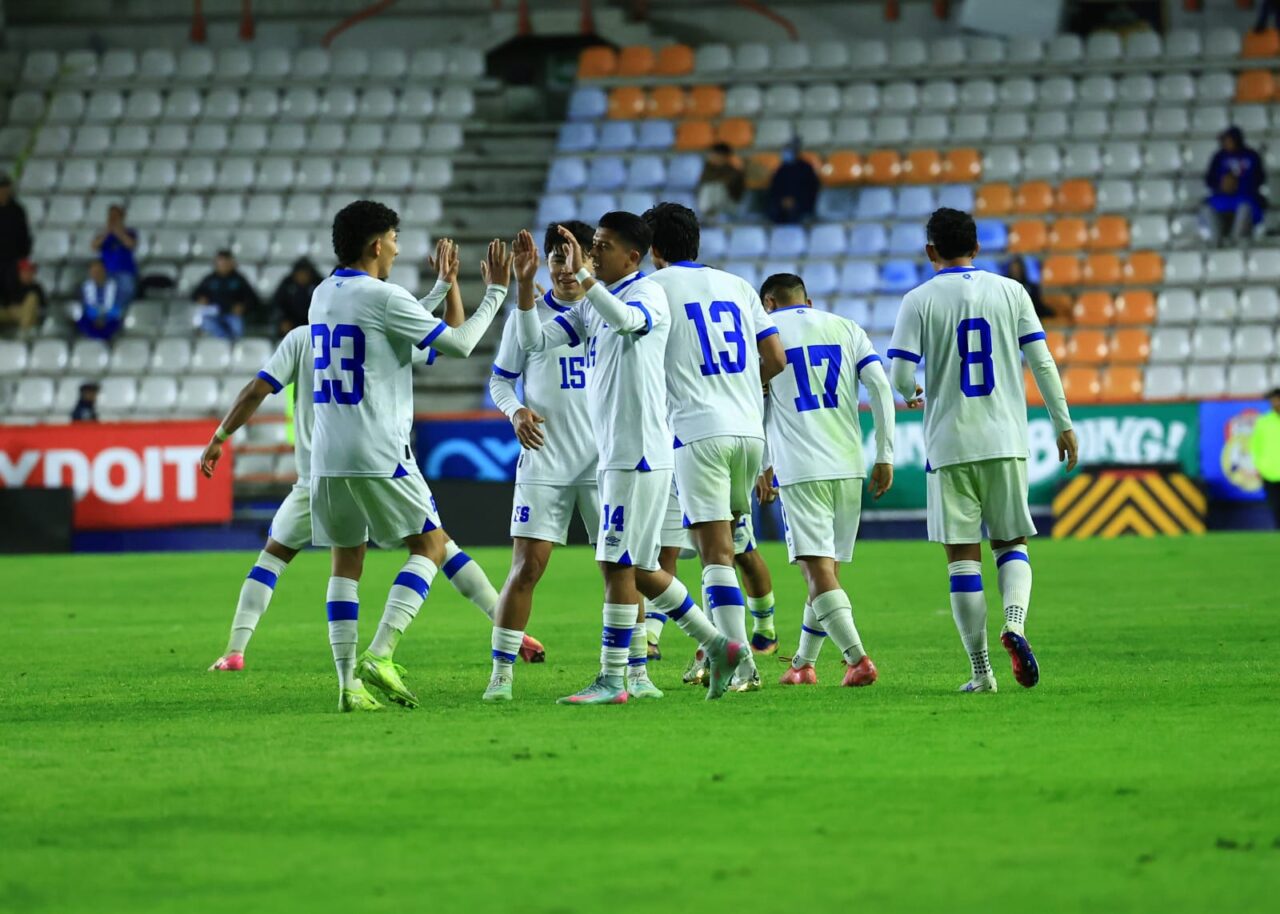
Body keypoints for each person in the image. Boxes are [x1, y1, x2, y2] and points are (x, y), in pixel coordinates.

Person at [201, 239, 535, 676]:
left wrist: (220, 436)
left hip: (318, 473)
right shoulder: (376, 331)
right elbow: (450, 337)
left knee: (286, 559)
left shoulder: (303, 337)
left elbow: (255, 390)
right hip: (375, 458)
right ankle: (412, 647)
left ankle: (241, 651)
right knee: (435, 546)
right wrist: (479, 289)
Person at [268, 201, 507, 711]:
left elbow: (385, 324)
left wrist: (440, 289)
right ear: (377, 244)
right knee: (431, 546)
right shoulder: (382, 296)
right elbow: (461, 344)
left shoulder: (322, 295)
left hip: (327, 455)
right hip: (378, 448)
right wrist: (497, 293)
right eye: (395, 239)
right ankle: (381, 653)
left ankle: (347, 686)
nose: (398, 249)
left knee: (346, 561)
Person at [513, 215, 750, 704]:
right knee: (636, 566)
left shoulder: (647, 295)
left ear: (633, 257)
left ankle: (613, 679)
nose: (592, 253)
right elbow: (533, 342)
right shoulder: (591, 304)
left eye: (602, 246)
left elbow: (628, 323)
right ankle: (718, 646)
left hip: (637, 452)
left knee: (616, 563)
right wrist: (522, 288)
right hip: (617, 454)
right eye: (592, 245)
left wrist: (585, 279)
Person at [888, 207, 1077, 694]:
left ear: (930, 250)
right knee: (1011, 543)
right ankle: (1014, 623)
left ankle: (981, 671)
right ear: (976, 247)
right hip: (1006, 439)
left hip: (949, 444)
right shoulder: (1012, 292)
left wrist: (912, 393)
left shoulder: (918, 300)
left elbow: (901, 376)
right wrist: (1063, 424)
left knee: (962, 558)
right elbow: (1042, 361)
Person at [640, 201, 786, 692]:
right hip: (749, 431)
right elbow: (776, 357)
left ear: (653, 249)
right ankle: (713, 654)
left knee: (715, 554)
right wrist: (742, 389)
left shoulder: (653, 288)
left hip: (697, 430)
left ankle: (742, 664)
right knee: (728, 546)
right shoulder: (738, 285)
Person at [481, 222, 606, 702]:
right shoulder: (526, 316)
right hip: (545, 458)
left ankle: (630, 671)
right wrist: (515, 411)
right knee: (527, 569)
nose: (564, 268)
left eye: (573, 258)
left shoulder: (609, 312)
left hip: (603, 461)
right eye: (556, 258)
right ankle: (501, 676)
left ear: (591, 263)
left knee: (620, 569)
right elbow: (500, 380)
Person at [754, 272, 895, 687]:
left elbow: (757, 403)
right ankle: (802, 665)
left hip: (801, 468)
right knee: (826, 570)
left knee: (816, 571)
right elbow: (879, 387)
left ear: (768, 303)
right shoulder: (847, 328)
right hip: (848, 464)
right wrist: (884, 454)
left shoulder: (765, 332)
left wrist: (764, 464)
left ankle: (857, 659)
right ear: (808, 301)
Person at [1203, 127, 1266, 246]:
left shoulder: (1251, 155)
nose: (1226, 143)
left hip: (1245, 197)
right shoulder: (1219, 156)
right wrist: (1222, 185)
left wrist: (1239, 184)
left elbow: (1260, 179)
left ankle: (1235, 242)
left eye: (1229, 140)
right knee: (1207, 209)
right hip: (1222, 198)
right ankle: (1216, 242)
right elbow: (1209, 180)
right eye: (1224, 140)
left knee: (1245, 208)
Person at [194, 249, 260, 340]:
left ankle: (231, 344)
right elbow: (195, 295)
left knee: (237, 327)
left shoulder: (239, 279)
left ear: (231, 263)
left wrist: (243, 307)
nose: (223, 265)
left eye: (226, 262)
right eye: (221, 263)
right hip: (213, 313)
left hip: (232, 314)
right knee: (205, 322)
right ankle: (225, 342)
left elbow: (253, 299)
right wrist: (200, 298)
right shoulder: (209, 279)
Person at [91, 205, 139, 308]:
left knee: (125, 294)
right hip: (106, 272)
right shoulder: (102, 234)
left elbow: (131, 244)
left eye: (115, 216)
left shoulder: (130, 232)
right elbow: (94, 247)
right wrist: (107, 233)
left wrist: (118, 232)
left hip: (125, 271)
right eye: (111, 216)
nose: (112, 219)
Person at [766, 139, 820, 225]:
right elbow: (774, 188)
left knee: (796, 212)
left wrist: (795, 200)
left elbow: (811, 189)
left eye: (788, 151)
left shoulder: (806, 168)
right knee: (773, 210)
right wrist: (782, 200)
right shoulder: (781, 169)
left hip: (801, 202)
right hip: (781, 203)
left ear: (796, 153)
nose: (785, 154)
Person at [1250, 387, 1280, 529]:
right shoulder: (1263, 422)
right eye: (1273, 401)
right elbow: (1255, 446)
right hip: (1269, 472)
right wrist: (1258, 466)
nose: (1276, 403)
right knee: (1276, 506)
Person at [0, 174, 32, 302]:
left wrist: (22, 259)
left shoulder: (17, 211)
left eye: (4, 188)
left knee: (12, 296)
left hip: (13, 262)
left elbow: (24, 236)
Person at [696, 142, 746, 221]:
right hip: (711, 204)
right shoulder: (708, 168)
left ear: (724, 156)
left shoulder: (733, 171)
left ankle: (710, 215)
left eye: (715, 155)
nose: (711, 157)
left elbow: (733, 187)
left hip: (730, 205)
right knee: (708, 187)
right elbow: (702, 181)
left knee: (717, 186)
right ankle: (706, 215)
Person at [271, 257, 321, 335]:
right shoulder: (287, 284)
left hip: (314, 323)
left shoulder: (319, 284)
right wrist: (282, 320)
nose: (302, 277)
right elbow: (277, 304)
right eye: (299, 274)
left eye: (305, 274)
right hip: (291, 323)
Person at [76, 260, 124, 341]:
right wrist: (95, 318)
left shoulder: (116, 286)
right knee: (83, 321)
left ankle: (102, 339)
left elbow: (118, 306)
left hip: (110, 318)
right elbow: (83, 306)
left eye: (99, 271)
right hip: (91, 319)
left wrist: (104, 317)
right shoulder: (83, 287)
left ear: (105, 271)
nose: (97, 274)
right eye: (94, 271)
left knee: (116, 322)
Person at [0, 258, 45, 335]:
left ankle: (23, 334)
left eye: (30, 272)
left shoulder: (36, 288)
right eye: (25, 272)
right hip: (10, 312)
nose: (28, 274)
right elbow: (5, 302)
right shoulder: (12, 284)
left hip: (28, 315)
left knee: (32, 297)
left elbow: (42, 307)